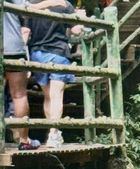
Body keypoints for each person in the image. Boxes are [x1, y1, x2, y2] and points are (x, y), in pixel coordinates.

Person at [24, 0, 85, 148]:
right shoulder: (64, 4)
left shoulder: (30, 3)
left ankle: (52, 132)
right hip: (58, 52)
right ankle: (53, 133)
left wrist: (23, 58)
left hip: (37, 54)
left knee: (48, 96)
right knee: (56, 95)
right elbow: (77, 30)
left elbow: (25, 32)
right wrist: (80, 18)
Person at [3, 0, 55, 149]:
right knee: (19, 95)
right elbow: (27, 7)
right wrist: (51, 3)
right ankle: (24, 140)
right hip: (12, 46)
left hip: (9, 45)